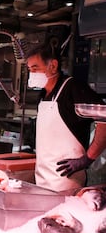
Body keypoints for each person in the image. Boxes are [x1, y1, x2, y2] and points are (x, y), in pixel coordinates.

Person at [26, 42, 106, 192]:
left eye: (35, 68)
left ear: (53, 66)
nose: (32, 73)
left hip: (66, 180)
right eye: (29, 69)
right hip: (42, 176)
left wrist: (87, 159)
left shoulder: (72, 89)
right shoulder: (43, 95)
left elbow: (104, 117)